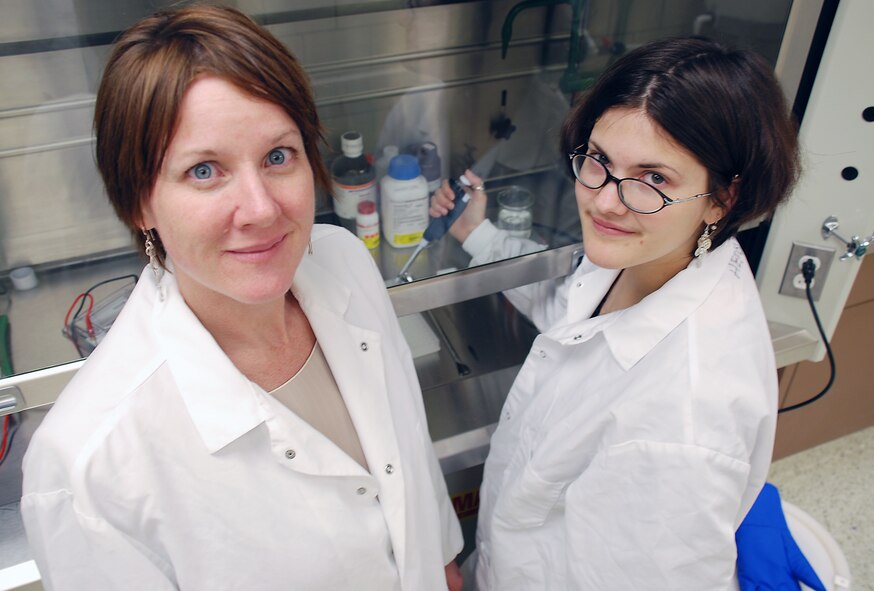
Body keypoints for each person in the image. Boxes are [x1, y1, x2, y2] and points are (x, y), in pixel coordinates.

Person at [21, 6, 463, 590]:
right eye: (204, 170)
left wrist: (443, 567)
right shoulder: (89, 465)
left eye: (278, 156)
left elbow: (408, 459)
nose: (260, 209)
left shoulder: (344, 261)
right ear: (139, 203)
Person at [430, 36, 799, 589]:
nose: (604, 201)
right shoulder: (662, 252)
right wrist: (477, 233)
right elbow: (570, 307)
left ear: (724, 196)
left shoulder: (682, 423)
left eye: (654, 178)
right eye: (599, 160)